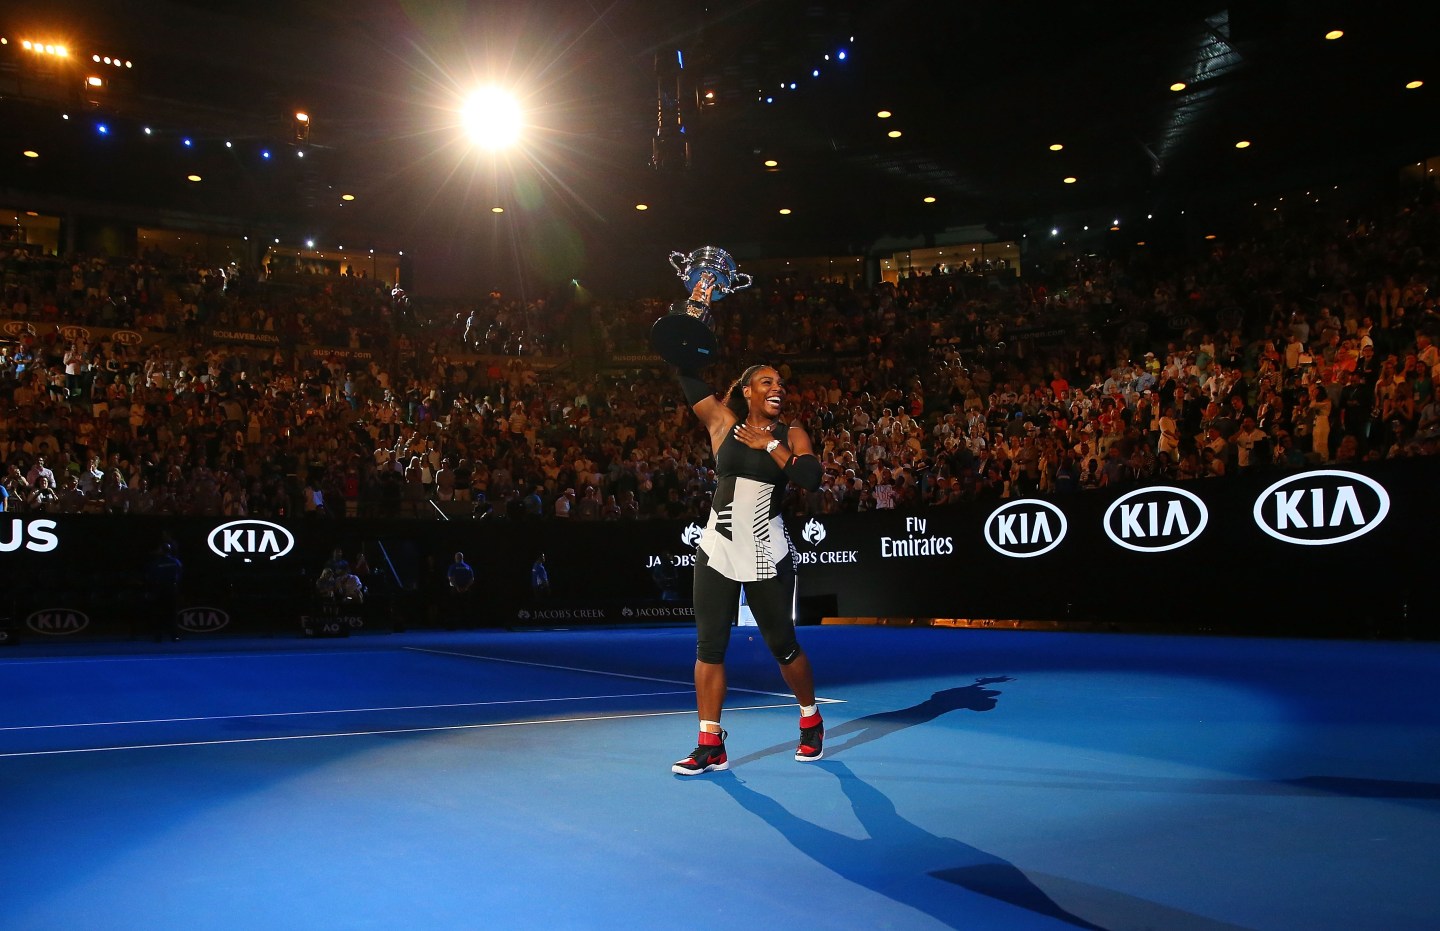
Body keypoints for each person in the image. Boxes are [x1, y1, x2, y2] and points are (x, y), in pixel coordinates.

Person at [668, 274, 827, 777]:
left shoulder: (791, 432)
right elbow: (686, 367)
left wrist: (771, 446)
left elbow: (811, 479)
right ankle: (710, 742)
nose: (777, 388)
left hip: (765, 550)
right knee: (708, 646)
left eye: (781, 383)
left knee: (783, 645)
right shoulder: (720, 422)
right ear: (746, 389)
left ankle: (809, 718)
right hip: (716, 546)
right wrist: (696, 304)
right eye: (767, 382)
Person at [447, 551, 476, 627]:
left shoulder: (453, 567)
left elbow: (451, 579)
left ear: (455, 558)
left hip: (455, 590)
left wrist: (457, 587)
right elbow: (472, 579)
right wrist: (466, 587)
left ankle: (455, 625)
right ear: (462, 558)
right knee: (466, 607)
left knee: (455, 607)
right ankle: (467, 625)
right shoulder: (468, 567)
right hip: (466, 590)